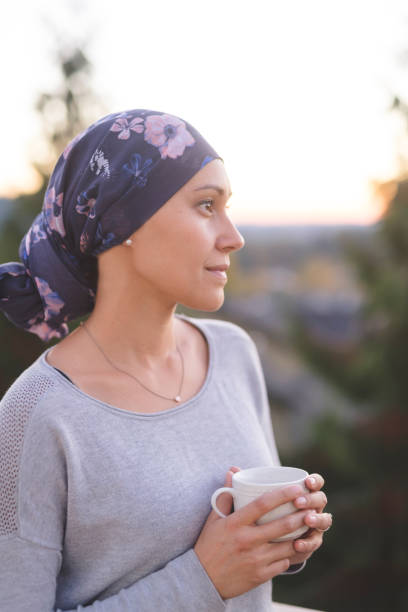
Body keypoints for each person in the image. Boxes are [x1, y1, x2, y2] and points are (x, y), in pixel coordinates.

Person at [0, 109, 332, 611]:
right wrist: (204, 578)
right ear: (121, 222)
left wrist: (279, 536)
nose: (233, 237)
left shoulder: (233, 352)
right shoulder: (35, 415)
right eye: (205, 206)